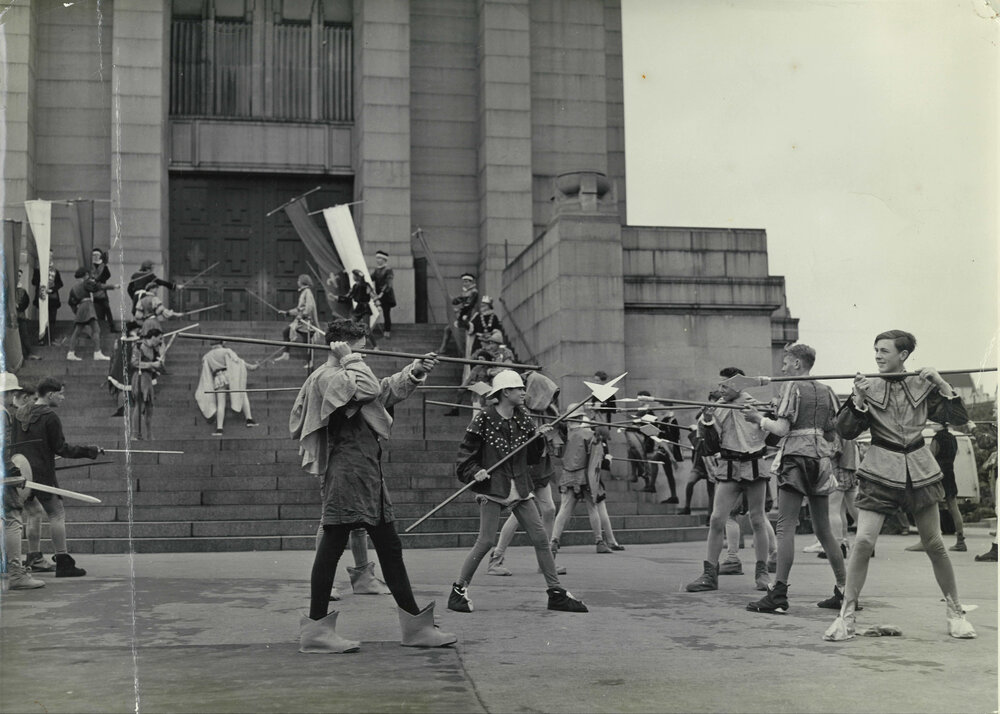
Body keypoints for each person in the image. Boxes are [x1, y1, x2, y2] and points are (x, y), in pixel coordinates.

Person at [291, 318, 456, 653]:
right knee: (334, 545)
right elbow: (367, 389)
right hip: (347, 471)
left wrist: (413, 371)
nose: (363, 357)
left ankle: (415, 628)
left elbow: (379, 392)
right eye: (360, 350)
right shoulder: (327, 376)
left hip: (366, 471)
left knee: (388, 548)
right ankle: (317, 631)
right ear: (340, 345)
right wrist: (350, 358)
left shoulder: (347, 373)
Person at [824, 329, 975, 641]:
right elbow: (846, 431)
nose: (877, 356)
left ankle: (955, 612)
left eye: (884, 351)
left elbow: (959, 418)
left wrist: (941, 383)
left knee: (934, 543)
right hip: (879, 470)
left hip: (920, 470)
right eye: (876, 350)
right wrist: (858, 398)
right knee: (863, 542)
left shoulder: (923, 384)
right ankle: (846, 617)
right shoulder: (868, 385)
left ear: (903, 355)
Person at [449, 370, 588, 614]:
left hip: (520, 486)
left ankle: (555, 592)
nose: (524, 392)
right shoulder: (483, 418)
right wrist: (476, 471)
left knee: (540, 538)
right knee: (486, 541)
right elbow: (464, 459)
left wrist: (538, 438)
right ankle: (458, 591)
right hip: (493, 487)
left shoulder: (522, 417)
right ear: (505, 392)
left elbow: (532, 458)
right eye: (519, 389)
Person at [744, 343, 847, 614]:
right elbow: (830, 432)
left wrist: (757, 419)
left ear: (798, 363)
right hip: (820, 461)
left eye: (786, 362)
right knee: (824, 529)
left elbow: (781, 428)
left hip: (796, 460)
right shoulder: (826, 390)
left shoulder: (791, 387)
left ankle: (778, 594)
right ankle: (844, 591)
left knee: (785, 526)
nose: (782, 368)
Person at [685, 367, 773, 594]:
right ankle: (709, 575)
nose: (720, 389)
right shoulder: (718, 408)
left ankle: (762, 573)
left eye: (725, 385)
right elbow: (709, 447)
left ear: (739, 384)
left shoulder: (756, 406)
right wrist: (706, 421)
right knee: (717, 519)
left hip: (754, 465)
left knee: (757, 519)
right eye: (720, 385)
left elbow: (773, 436)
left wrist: (763, 416)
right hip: (729, 465)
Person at [13, 377, 102, 578]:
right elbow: (62, 448)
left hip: (22, 471)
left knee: (34, 512)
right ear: (51, 394)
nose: (63, 398)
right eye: (61, 394)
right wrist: (90, 450)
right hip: (43, 474)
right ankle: (63, 562)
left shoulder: (19, 414)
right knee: (56, 514)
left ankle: (34, 557)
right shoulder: (50, 416)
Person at [488, 372, 566, 575]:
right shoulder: (517, 410)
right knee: (519, 514)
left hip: (541, 464)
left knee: (549, 510)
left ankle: (545, 562)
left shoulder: (546, 410)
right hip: (523, 466)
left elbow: (556, 433)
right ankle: (496, 559)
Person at [549, 403, 625, 558]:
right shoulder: (589, 434)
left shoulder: (564, 436)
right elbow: (597, 458)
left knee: (564, 510)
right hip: (585, 476)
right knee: (593, 509)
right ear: (580, 417)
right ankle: (599, 541)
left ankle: (554, 540)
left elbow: (558, 454)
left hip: (568, 475)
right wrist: (606, 458)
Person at [1, 374, 44, 590]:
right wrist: (14, 471)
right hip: (3, 474)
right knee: (13, 517)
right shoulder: (2, 413)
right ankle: (16, 574)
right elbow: (3, 448)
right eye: (12, 393)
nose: (12, 398)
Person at [906, 421, 966, 553]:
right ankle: (960, 541)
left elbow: (930, 457)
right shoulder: (952, 437)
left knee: (929, 507)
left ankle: (927, 541)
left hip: (937, 475)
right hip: (950, 474)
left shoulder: (937, 438)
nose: (931, 425)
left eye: (934, 423)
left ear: (941, 425)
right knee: (953, 507)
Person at [195, 339, 260, 436]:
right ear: (222, 343)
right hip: (230, 376)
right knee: (242, 394)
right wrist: (252, 367)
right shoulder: (226, 351)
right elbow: (238, 362)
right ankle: (249, 419)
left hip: (218, 378)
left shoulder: (207, 356)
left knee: (221, 403)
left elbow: (207, 372)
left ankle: (219, 429)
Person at [66, 267, 111, 362]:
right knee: (96, 329)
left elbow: (71, 302)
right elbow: (98, 287)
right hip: (88, 307)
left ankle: (71, 352)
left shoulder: (73, 288)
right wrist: (113, 286)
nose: (88, 276)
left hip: (81, 308)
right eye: (87, 274)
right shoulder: (86, 283)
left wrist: (77, 311)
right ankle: (97, 352)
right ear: (85, 275)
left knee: (77, 331)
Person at [277, 274, 320, 366]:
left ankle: (310, 362)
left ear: (302, 282)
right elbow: (299, 309)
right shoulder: (304, 292)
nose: (297, 282)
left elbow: (309, 307)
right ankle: (286, 354)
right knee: (287, 332)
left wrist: (303, 315)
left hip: (305, 321)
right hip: (301, 321)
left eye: (298, 280)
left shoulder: (307, 292)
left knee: (306, 341)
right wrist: (287, 313)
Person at [130, 323, 164, 440]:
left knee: (149, 408)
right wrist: (152, 364)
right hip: (139, 377)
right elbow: (134, 363)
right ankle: (135, 434)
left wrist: (158, 365)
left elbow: (157, 366)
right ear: (153, 337)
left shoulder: (154, 349)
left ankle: (149, 434)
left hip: (148, 378)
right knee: (140, 405)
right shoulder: (139, 346)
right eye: (159, 338)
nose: (160, 341)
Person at [439, 273, 479, 356]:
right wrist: (449, 298)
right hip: (463, 314)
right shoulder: (465, 292)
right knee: (448, 329)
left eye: (466, 281)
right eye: (464, 281)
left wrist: (459, 310)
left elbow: (469, 305)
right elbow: (456, 301)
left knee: (458, 332)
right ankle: (443, 349)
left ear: (471, 282)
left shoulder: (474, 292)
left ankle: (461, 352)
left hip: (469, 316)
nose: (464, 283)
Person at [107, 322, 141, 417]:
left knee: (122, 388)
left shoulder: (119, 341)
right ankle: (126, 408)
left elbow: (114, 354)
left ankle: (122, 409)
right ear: (135, 329)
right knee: (127, 387)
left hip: (119, 366)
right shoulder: (136, 342)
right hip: (130, 367)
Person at [32, 251, 62, 343]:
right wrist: (41, 274)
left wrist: (52, 289)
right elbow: (34, 282)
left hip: (53, 298)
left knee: (52, 318)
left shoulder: (55, 271)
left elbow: (60, 283)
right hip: (42, 297)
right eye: (48, 256)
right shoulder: (38, 270)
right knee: (42, 318)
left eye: (51, 256)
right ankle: (42, 338)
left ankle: (51, 338)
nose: (50, 258)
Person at [89, 248, 116, 334]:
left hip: (102, 290)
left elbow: (107, 275)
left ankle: (112, 327)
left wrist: (97, 280)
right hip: (92, 291)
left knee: (107, 308)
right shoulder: (89, 266)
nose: (95, 257)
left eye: (97, 255)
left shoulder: (104, 266)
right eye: (94, 255)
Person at [15, 269, 40, 361]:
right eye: (17, 275)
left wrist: (18, 306)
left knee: (24, 335)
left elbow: (26, 302)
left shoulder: (22, 290)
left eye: (19, 276)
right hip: (10, 317)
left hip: (20, 316)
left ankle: (29, 353)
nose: (18, 278)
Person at [371, 250, 396, 339]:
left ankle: (387, 331)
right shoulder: (376, 270)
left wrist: (382, 293)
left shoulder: (388, 270)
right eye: (377, 258)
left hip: (386, 295)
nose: (377, 260)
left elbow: (388, 283)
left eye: (379, 258)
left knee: (386, 313)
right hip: (378, 295)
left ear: (384, 259)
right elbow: (371, 278)